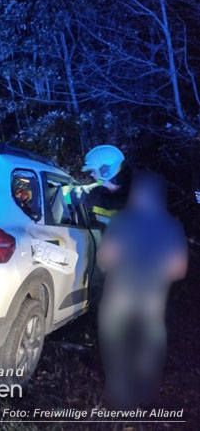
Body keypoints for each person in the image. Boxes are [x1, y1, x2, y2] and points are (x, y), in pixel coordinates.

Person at [97, 171, 187, 409]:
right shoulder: (173, 227)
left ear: (137, 195)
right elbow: (179, 269)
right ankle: (147, 393)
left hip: (120, 292)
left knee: (114, 337)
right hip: (153, 297)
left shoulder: (121, 221)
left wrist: (108, 265)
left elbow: (106, 258)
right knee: (151, 340)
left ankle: (119, 392)